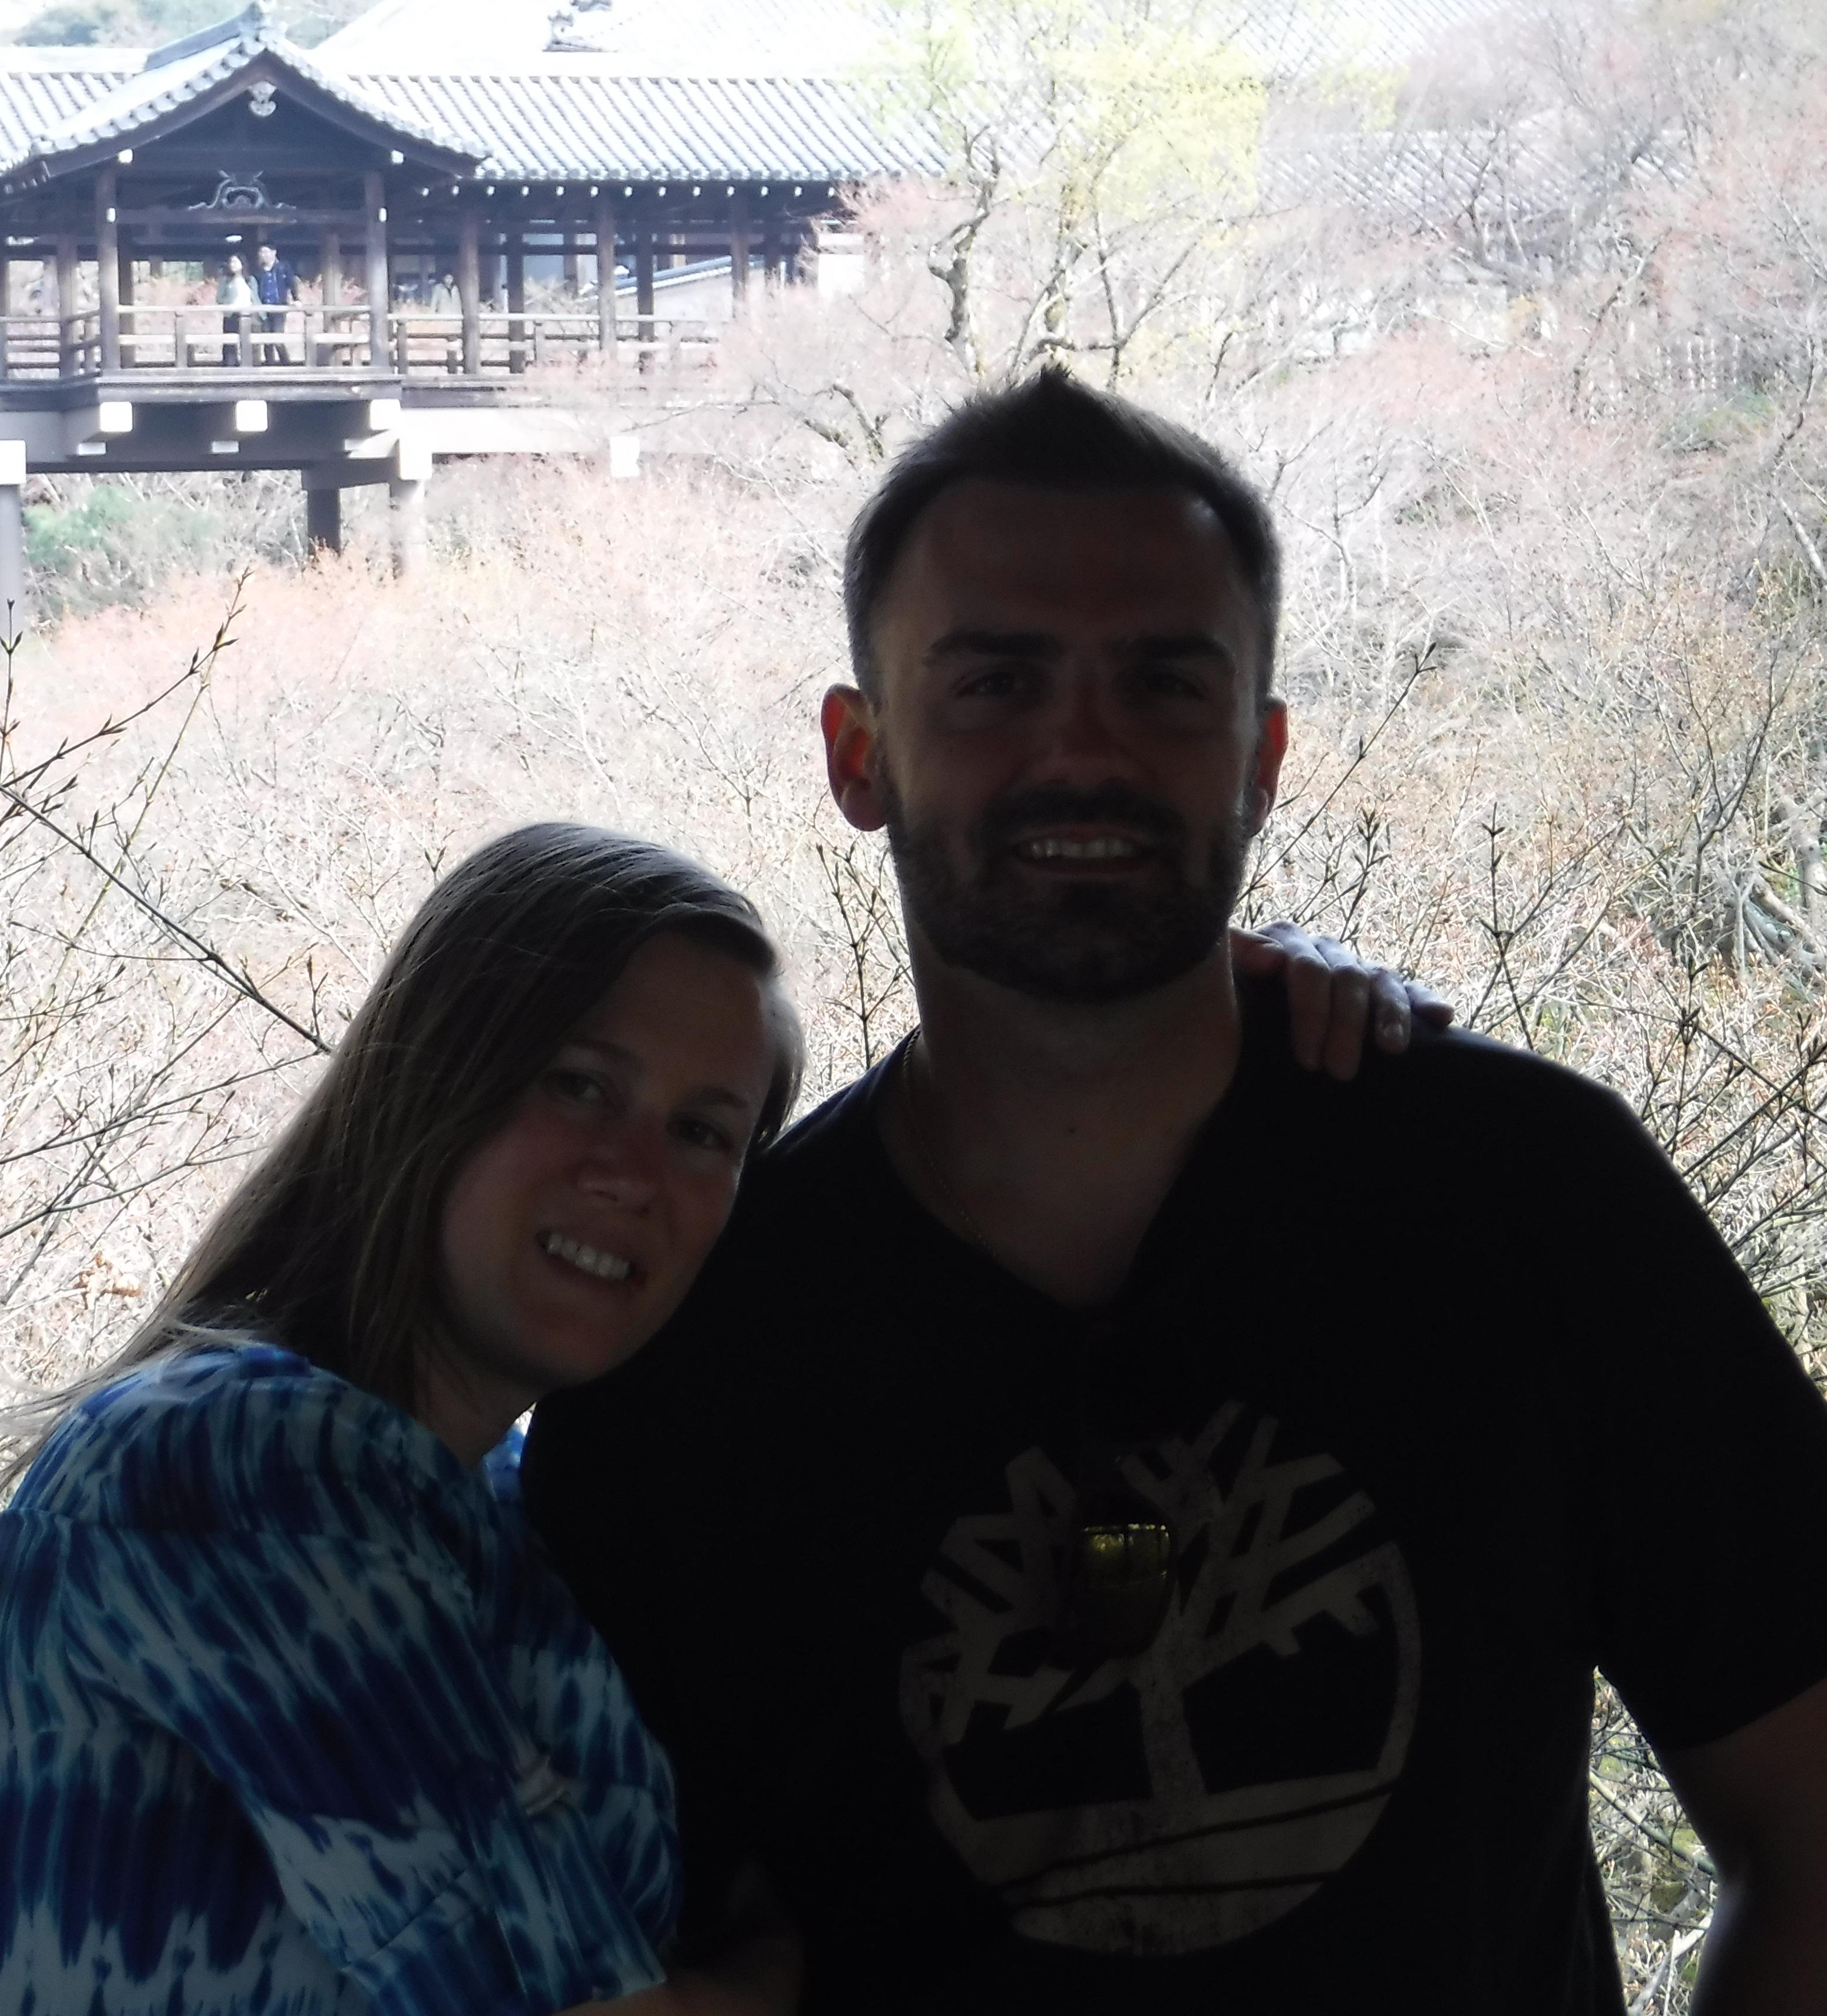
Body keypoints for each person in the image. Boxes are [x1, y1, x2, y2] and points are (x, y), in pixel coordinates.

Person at [523, 371, 1827, 2014]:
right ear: (859, 756)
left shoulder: (1528, 1202)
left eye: (1164, 684)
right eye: (995, 682)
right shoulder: (698, 1346)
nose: (1084, 751)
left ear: (1263, 757)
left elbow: (1811, 1822)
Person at [0, 826, 810, 2016]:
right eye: (581, 1084)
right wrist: (786, 1962)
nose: (633, 1170)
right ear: (436, 1073)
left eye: (704, 1132)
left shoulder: (490, 1509)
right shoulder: (235, 1463)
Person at [252, 241, 300, 363]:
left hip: (279, 307)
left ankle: (286, 364)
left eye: (266, 252)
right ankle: (270, 365)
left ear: (274, 253)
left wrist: (296, 299)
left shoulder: (283, 267)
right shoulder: (259, 271)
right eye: (261, 252)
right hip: (264, 308)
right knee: (267, 339)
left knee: (278, 338)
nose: (264, 255)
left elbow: (292, 283)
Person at [216, 249, 257, 366]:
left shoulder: (250, 280)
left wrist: (261, 313)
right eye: (231, 262)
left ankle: (250, 365)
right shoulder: (226, 280)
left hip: (248, 314)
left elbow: (255, 297)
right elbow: (219, 298)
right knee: (230, 342)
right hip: (231, 314)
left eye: (236, 262)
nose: (233, 265)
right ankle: (230, 365)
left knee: (249, 341)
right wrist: (230, 304)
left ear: (242, 264)